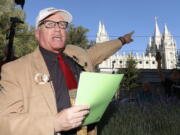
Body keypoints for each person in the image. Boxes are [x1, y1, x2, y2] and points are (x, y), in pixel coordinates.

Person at [0, 7, 134, 135]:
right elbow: (4, 123)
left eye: (62, 24)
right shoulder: (15, 70)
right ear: (37, 33)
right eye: (49, 24)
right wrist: (53, 124)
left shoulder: (77, 54)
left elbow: (97, 52)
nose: (58, 29)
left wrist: (122, 40)